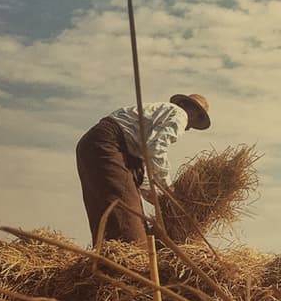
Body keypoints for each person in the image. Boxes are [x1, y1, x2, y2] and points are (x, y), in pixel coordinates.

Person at [75, 93, 211, 245]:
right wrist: (168, 187)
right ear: (191, 110)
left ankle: (108, 257)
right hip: (108, 144)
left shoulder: (154, 118)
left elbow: (142, 174)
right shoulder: (179, 114)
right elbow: (155, 148)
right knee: (127, 218)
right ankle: (125, 260)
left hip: (96, 145)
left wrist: (162, 201)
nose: (189, 128)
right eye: (195, 120)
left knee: (109, 206)